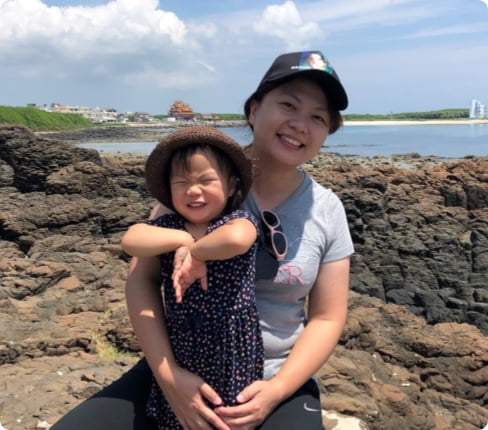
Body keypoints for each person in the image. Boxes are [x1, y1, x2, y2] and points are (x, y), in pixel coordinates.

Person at [51, 49, 354, 430]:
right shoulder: (198, 183)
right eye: (288, 105)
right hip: (181, 364)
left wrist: (276, 391)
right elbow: (141, 281)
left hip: (275, 379)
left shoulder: (327, 210)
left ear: (328, 132)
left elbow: (327, 317)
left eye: (318, 117)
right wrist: (169, 377)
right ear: (255, 110)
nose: (300, 125)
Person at [120, 125, 264, 429]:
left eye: (206, 180)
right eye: (181, 182)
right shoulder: (169, 225)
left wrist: (197, 253)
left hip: (231, 344)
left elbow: (237, 240)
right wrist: (182, 240)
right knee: (181, 416)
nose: (193, 190)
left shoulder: (236, 220)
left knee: (226, 414)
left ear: (230, 186)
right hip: (182, 343)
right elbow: (132, 238)